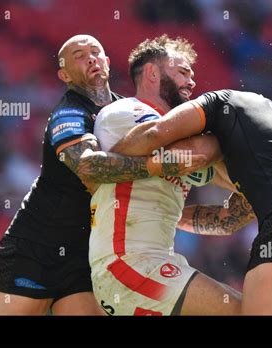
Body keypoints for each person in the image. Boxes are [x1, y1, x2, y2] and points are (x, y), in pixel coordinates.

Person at [111, 89, 272, 315]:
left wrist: (105, 169)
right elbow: (227, 221)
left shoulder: (221, 102)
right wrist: (170, 217)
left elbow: (157, 132)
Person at [0, 35, 198, 315]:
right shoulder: (69, 113)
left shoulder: (128, 109)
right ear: (64, 75)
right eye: (78, 55)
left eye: (95, 52)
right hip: (36, 244)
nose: (90, 58)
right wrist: (154, 166)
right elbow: (88, 166)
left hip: (85, 253)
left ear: (107, 62)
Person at [88, 36, 254, 316]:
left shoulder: (178, 138)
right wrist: (223, 142)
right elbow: (193, 157)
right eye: (183, 72)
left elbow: (227, 221)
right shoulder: (126, 112)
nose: (191, 82)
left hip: (146, 267)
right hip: (130, 265)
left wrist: (251, 183)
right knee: (246, 311)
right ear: (152, 72)